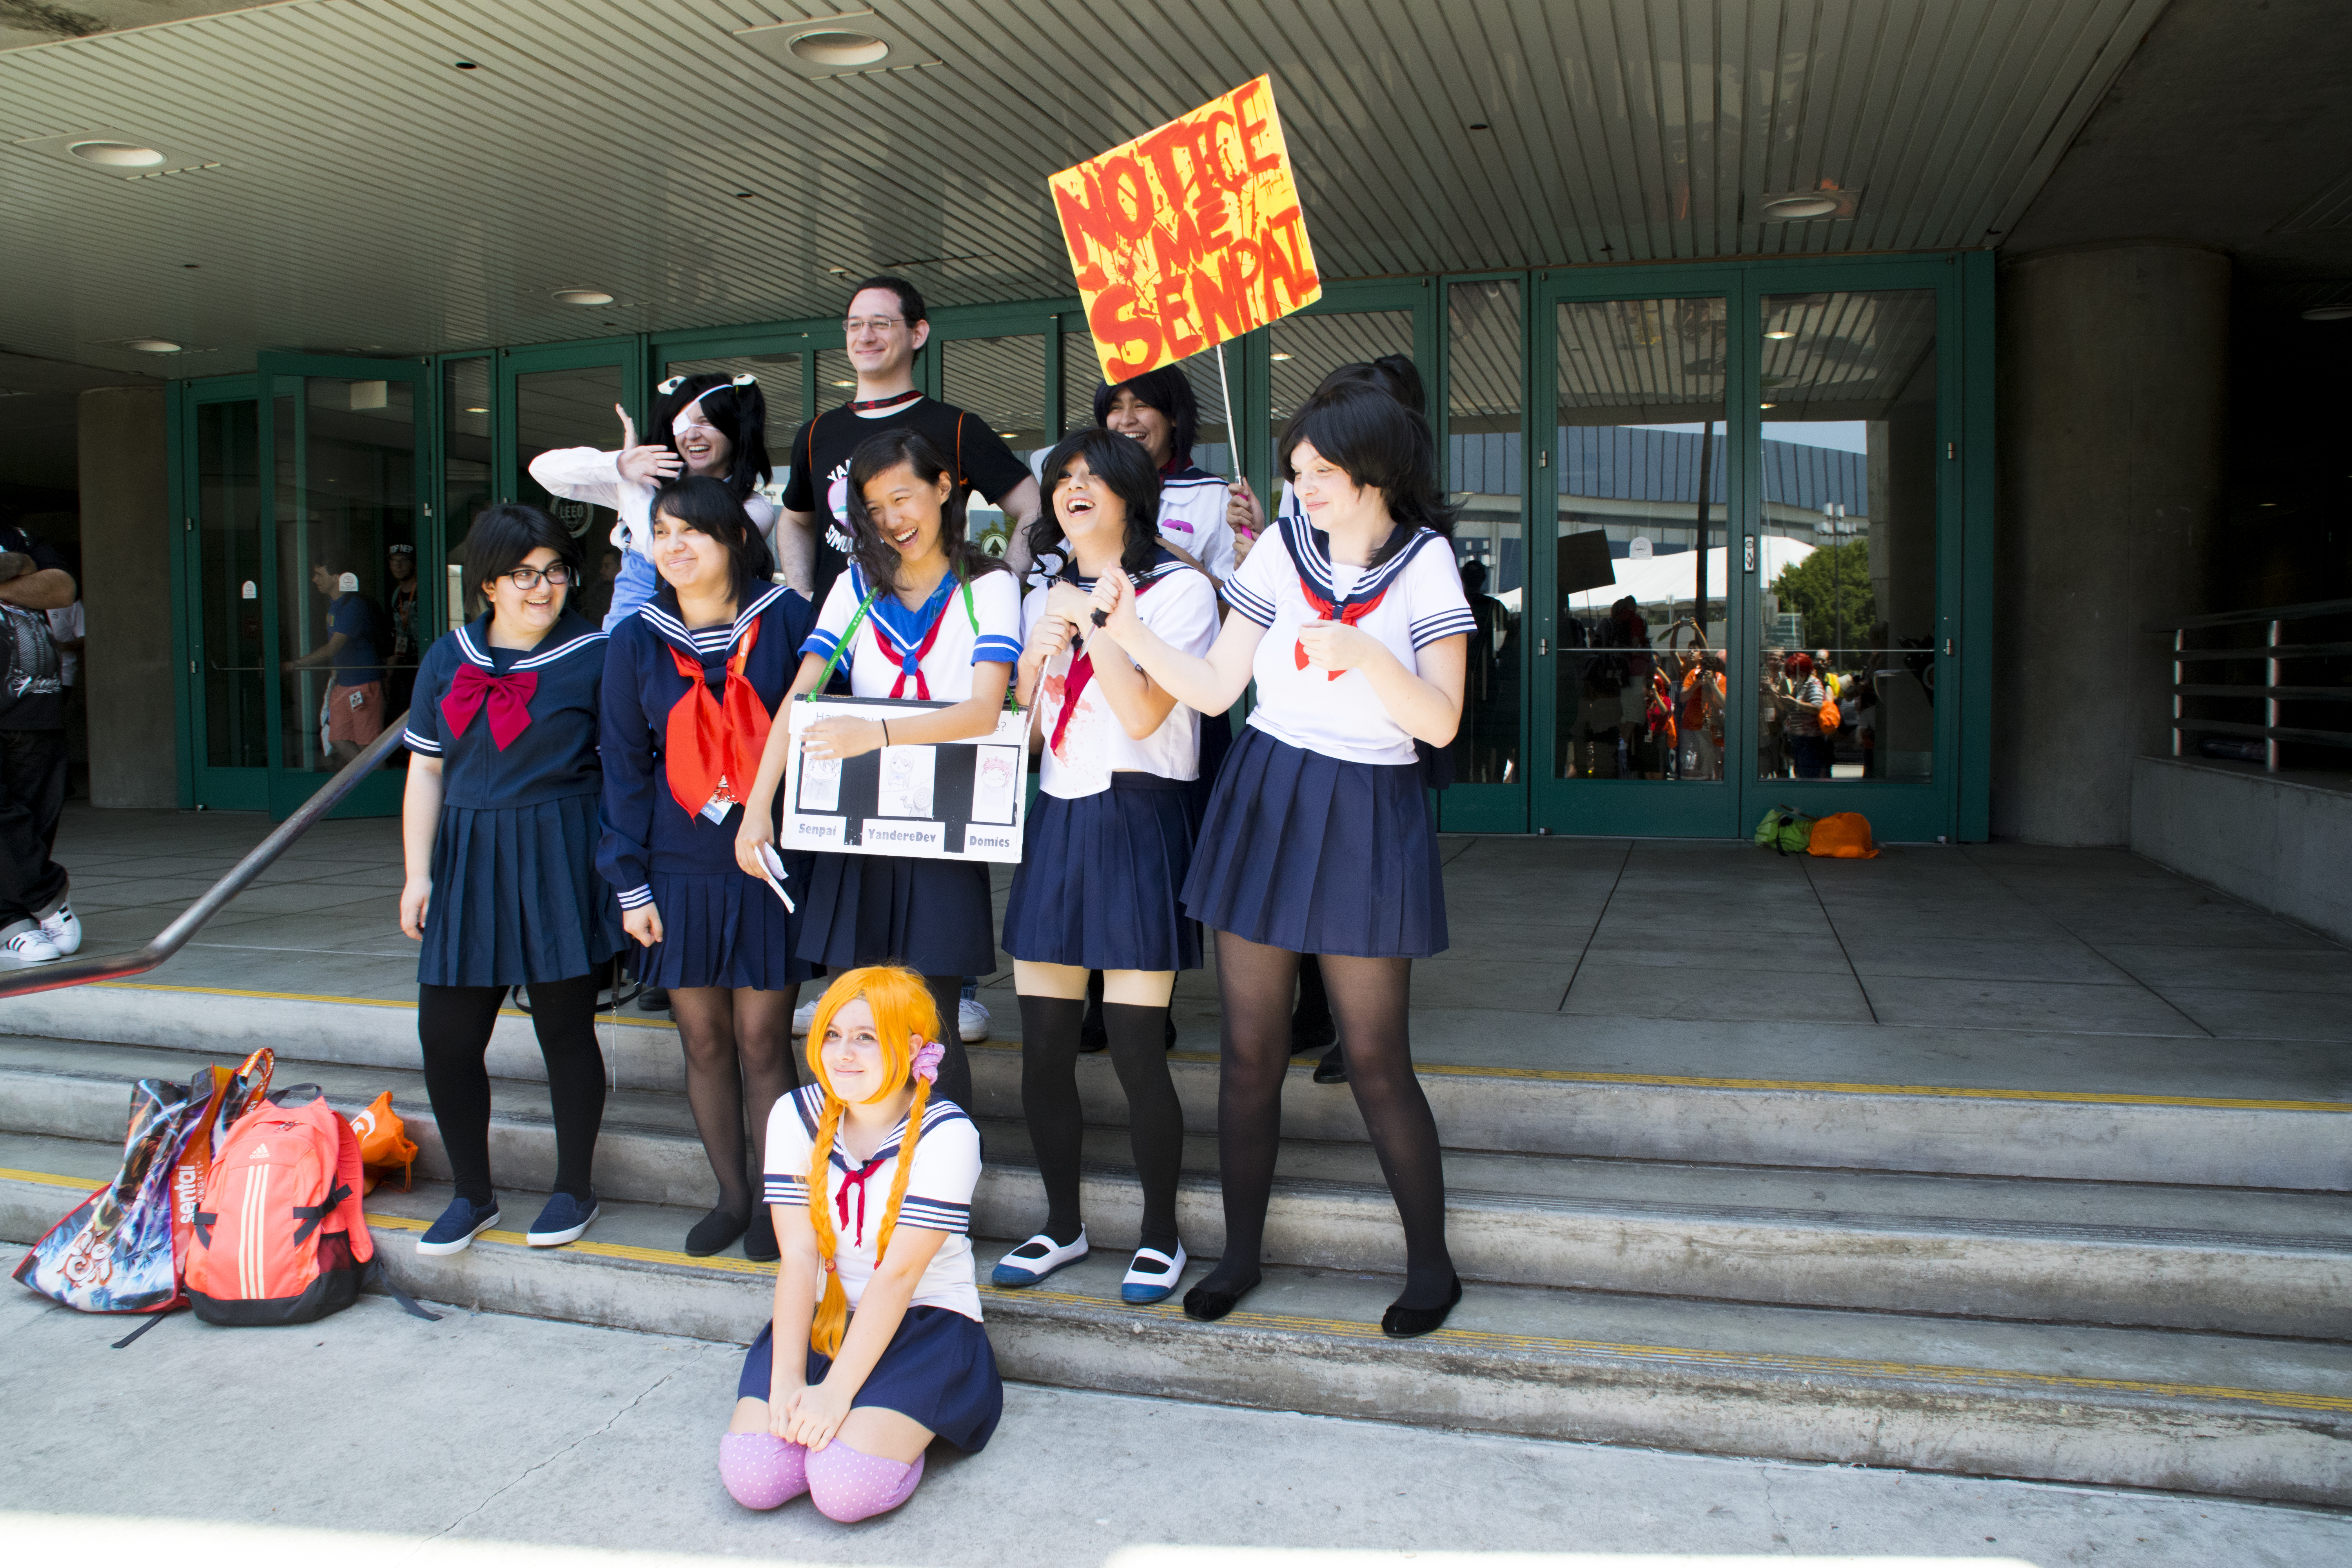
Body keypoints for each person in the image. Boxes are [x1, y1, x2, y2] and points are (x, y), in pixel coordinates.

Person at [1091, 381, 1474, 1338]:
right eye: (1297, 471)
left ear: (1375, 473)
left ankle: (1431, 1265)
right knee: (1251, 1053)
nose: (1303, 488)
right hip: (1266, 789)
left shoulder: (1427, 566)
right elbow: (1219, 691)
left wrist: (1367, 655)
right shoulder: (1279, 547)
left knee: (1378, 1058)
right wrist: (1131, 636)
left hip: (1370, 802)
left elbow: (1440, 721)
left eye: (1321, 474)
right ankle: (1240, 1253)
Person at [990, 429, 1218, 1303]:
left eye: (1092, 478)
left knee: (1134, 1046)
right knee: (1043, 1046)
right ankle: (1061, 1221)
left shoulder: (1181, 589)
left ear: (1131, 494)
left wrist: (1099, 624)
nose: (1074, 490)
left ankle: (1160, 1234)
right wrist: (1039, 654)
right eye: (1063, 480)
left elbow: (1141, 709)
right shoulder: (1043, 590)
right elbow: (1031, 727)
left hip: (1135, 812)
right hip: (1062, 809)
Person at [735, 430, 1021, 1121]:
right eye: (875, 506)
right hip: (857, 839)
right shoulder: (854, 588)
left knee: (934, 1032)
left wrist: (875, 734)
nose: (894, 519)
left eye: (905, 496)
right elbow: (800, 703)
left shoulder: (990, 585)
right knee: (854, 1026)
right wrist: (757, 807)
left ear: (946, 489)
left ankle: (938, 1203)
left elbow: (984, 711)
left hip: (943, 837)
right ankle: (858, 1188)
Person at [599, 475, 818, 1261]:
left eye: (692, 530)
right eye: (662, 532)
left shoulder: (790, 616)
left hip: (767, 851)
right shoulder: (637, 638)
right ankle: (729, 1193)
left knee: (763, 1035)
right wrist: (629, 880)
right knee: (703, 1038)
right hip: (678, 855)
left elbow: (823, 730)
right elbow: (624, 767)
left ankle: (777, 1196)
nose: (675, 546)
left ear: (733, 538)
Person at [398, 505, 620, 1254]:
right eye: (525, 574)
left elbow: (625, 770)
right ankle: (473, 1195)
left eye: (557, 570)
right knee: (447, 1037)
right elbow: (426, 770)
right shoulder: (445, 656)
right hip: (467, 856)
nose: (543, 587)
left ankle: (574, 1189)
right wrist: (416, 875)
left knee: (564, 1028)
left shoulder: (596, 654)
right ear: (488, 583)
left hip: (561, 850)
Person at [718, 965, 999, 1522]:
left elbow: (898, 1277)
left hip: (923, 1325)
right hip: (827, 1316)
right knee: (753, 1476)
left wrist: (837, 1394)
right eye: (832, 1034)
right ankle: (853, 1423)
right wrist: (789, 1380)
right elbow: (798, 1257)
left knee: (845, 1490)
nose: (842, 1053)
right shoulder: (794, 1114)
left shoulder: (948, 1134)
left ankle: (897, 1430)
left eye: (866, 1037)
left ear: (912, 1046)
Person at [532, 372, 776, 630]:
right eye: (682, 423)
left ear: (734, 427)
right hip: (625, 635)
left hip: (698, 641)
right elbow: (544, 471)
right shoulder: (646, 479)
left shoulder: (754, 508)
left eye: (705, 422)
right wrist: (621, 465)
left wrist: (631, 484)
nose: (691, 435)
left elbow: (659, 550)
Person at [0, 520, 79, 963]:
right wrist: (15, 574)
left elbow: (61, 590)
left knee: (35, 817)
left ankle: (12, 922)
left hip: (36, 703)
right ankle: (45, 894)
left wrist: (17, 564)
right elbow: (35, 581)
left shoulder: (20, 534)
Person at [283, 557, 385, 767]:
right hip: (344, 683)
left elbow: (333, 647)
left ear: (337, 577)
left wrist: (296, 664)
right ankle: (366, 776)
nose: (314, 579)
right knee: (337, 738)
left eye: (320, 574)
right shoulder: (336, 605)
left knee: (369, 746)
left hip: (363, 685)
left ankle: (377, 786)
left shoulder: (353, 607)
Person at [44, 597, 85, 800]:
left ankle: (61, 784)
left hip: (62, 677)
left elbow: (85, 637)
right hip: (28, 679)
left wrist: (62, 646)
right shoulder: (24, 601)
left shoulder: (71, 603)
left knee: (51, 728)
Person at [1776, 651, 1832, 779]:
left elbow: (1817, 707)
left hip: (1810, 741)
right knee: (1801, 774)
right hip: (1800, 740)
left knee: (1808, 776)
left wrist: (1795, 703)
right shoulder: (1801, 684)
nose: (1793, 676)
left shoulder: (1813, 684)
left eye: (1795, 671)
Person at [385, 542, 423, 716]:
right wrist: (389, 675)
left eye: (405, 561)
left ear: (414, 564)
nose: (399, 566)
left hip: (425, 666)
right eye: (394, 561)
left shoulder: (425, 592)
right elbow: (398, 636)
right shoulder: (396, 595)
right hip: (405, 670)